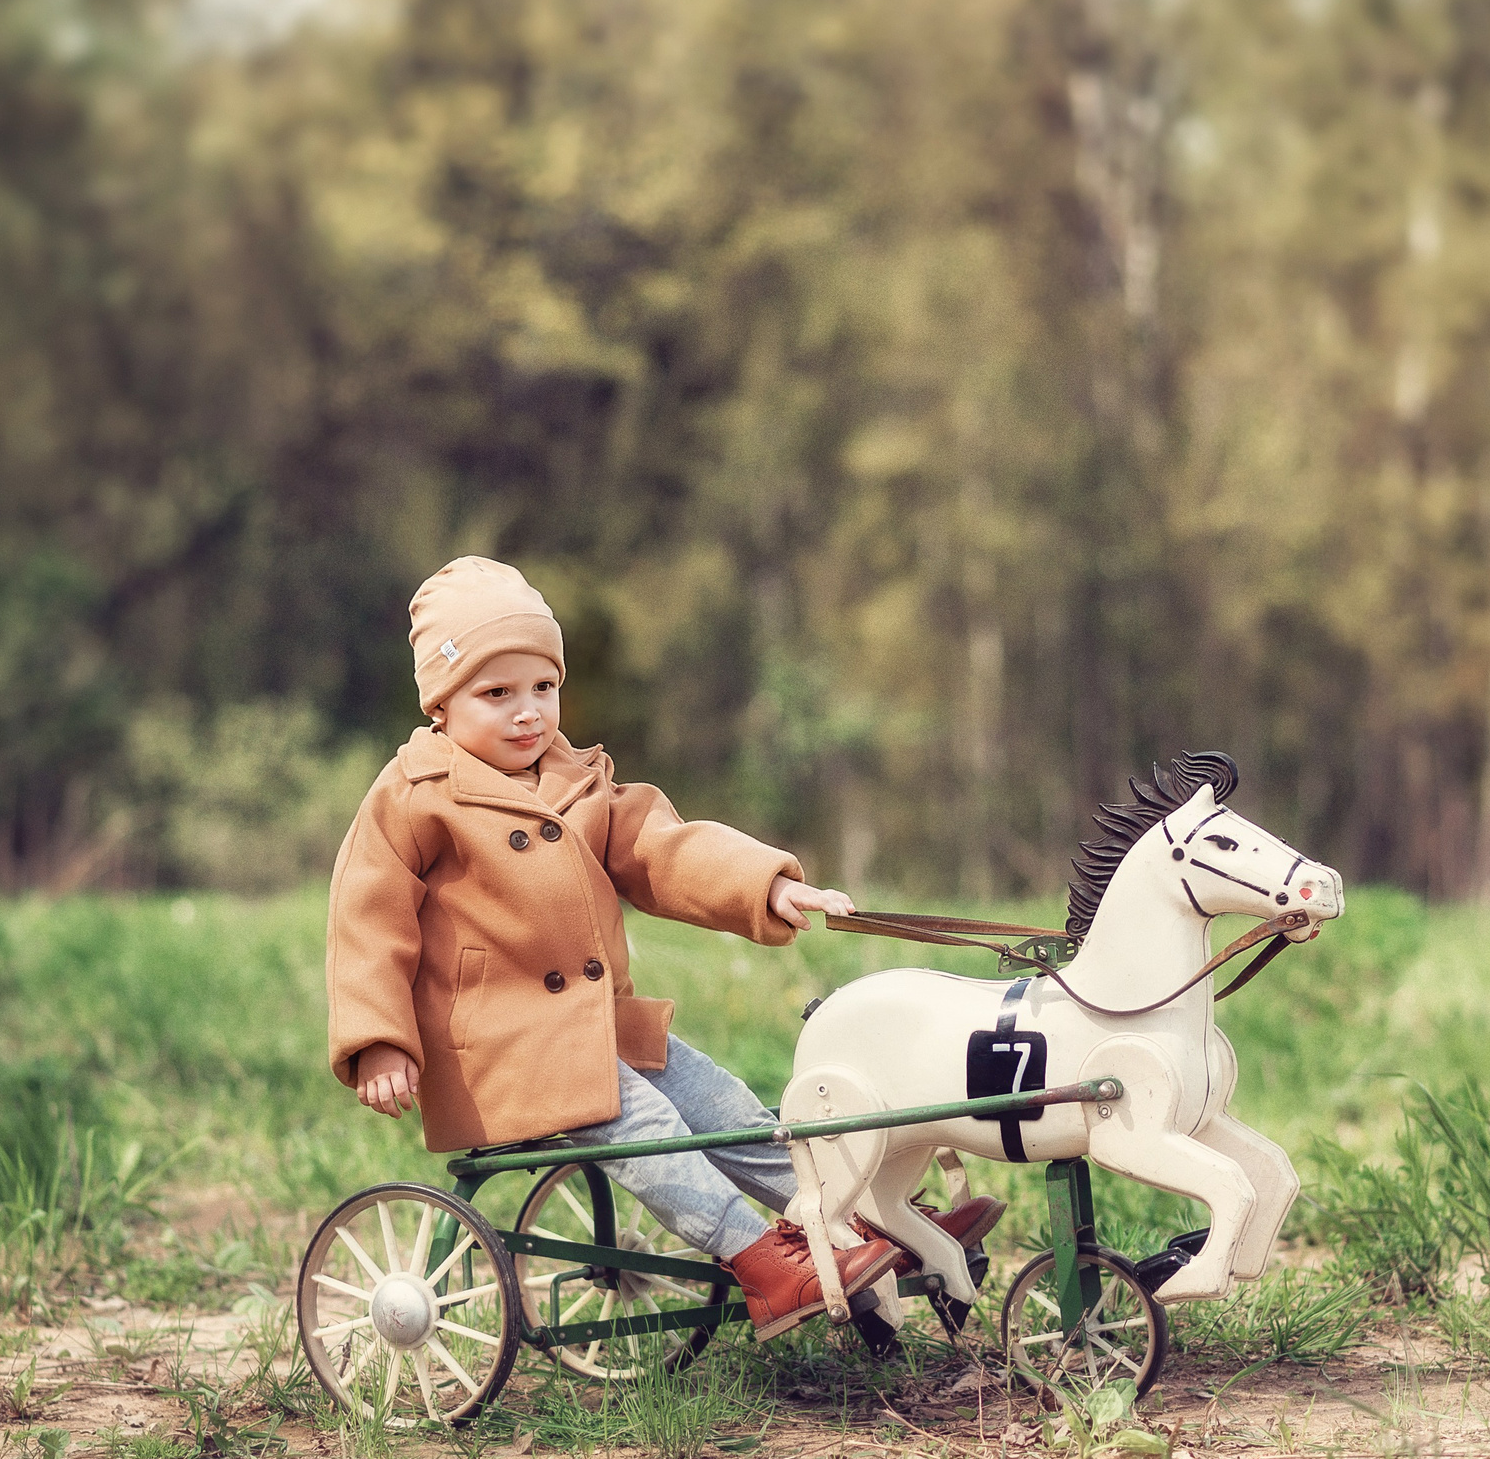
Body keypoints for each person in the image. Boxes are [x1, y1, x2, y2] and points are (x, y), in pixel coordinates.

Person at [326, 557, 1000, 1337]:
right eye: (496, 693)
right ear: (440, 705)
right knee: (647, 1127)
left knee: (725, 1105)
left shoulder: (577, 781)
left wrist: (766, 885)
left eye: (542, 688)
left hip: (597, 1030)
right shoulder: (415, 796)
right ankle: (763, 1262)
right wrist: (378, 1040)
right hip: (498, 1048)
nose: (528, 713)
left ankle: (853, 1214)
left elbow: (663, 848)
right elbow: (366, 918)